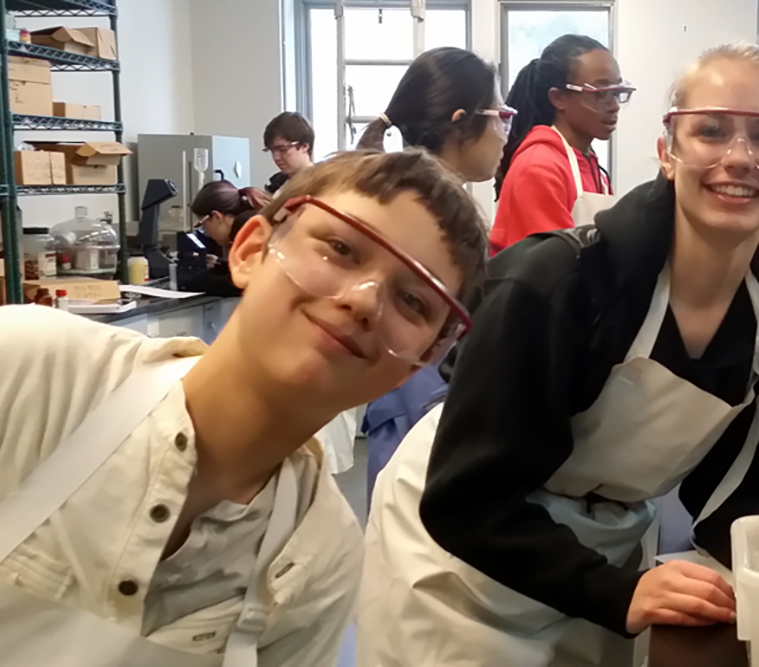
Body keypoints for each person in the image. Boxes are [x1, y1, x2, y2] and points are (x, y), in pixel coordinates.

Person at [358, 43, 759, 667]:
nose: (739, 158)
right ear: (668, 151)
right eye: (711, 130)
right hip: (460, 559)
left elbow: (746, 493)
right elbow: (465, 500)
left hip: (600, 556)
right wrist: (614, 591)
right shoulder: (557, 282)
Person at [0, 149, 488, 666]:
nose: (365, 300)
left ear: (421, 362)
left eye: (414, 301)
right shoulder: (33, 370)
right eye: (342, 248)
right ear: (251, 250)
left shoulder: (318, 558)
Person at [357, 46, 514, 502]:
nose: (505, 131)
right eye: (499, 115)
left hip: (421, 406)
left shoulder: (431, 204)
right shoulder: (428, 217)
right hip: (421, 412)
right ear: (462, 120)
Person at [489, 34, 634, 255]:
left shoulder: (594, 170)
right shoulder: (538, 168)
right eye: (600, 94)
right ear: (558, 98)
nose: (614, 105)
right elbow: (550, 272)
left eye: (617, 93)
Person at [263, 112, 315, 195]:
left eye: (282, 149)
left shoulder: (321, 184)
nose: (276, 157)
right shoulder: (276, 183)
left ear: (304, 146)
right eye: (272, 151)